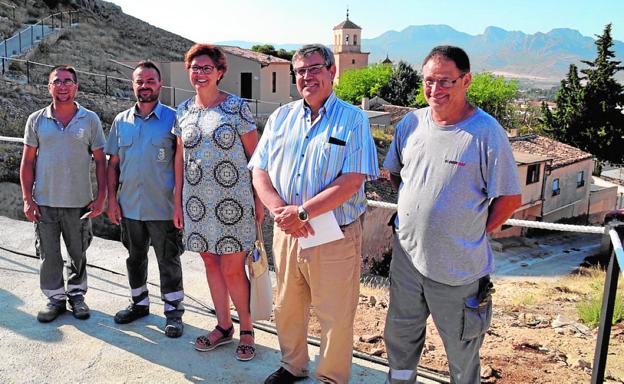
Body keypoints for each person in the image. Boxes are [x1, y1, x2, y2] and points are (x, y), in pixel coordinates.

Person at [383, 45, 522, 384]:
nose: (435, 90)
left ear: (467, 81)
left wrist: (470, 230)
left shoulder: (486, 133)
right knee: (400, 336)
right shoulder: (411, 123)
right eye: (428, 81)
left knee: (461, 347)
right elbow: (394, 173)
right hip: (407, 258)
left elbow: (509, 198)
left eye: (445, 81)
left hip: (458, 268)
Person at [249, 44, 379, 384]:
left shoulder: (353, 120)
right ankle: (293, 365)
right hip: (287, 230)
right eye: (301, 71)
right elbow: (259, 170)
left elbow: (352, 180)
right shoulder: (281, 117)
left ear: (332, 71)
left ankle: (331, 376)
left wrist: (303, 212)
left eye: (315, 68)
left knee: (335, 311)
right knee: (287, 305)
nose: (307, 76)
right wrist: (282, 212)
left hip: (333, 232)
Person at [173, 44, 263, 360]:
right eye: (195, 68)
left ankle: (248, 329)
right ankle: (224, 327)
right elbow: (180, 157)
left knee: (233, 267)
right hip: (196, 202)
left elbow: (256, 157)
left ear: (220, 72)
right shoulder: (183, 111)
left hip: (233, 203)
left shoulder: (237, 108)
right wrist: (177, 201)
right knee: (210, 261)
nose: (200, 73)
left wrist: (259, 199)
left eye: (206, 68)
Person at [20, 65, 107, 323]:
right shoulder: (36, 120)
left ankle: (77, 296)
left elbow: (101, 161)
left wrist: (101, 196)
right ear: (49, 87)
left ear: (76, 87)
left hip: (79, 203)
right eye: (57, 81)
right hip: (44, 202)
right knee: (49, 255)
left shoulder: (90, 120)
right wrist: (27, 199)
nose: (63, 86)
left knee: (78, 252)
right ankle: (55, 298)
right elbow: (27, 162)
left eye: (68, 81)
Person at [106, 61, 185, 337]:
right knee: (134, 258)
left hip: (163, 208)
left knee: (169, 261)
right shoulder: (120, 121)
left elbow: (182, 164)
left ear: (160, 84)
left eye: (150, 80)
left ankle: (174, 313)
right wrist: (111, 201)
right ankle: (139, 304)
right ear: (133, 85)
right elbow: (113, 164)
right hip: (129, 207)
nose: (145, 85)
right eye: (139, 81)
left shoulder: (174, 119)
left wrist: (179, 204)